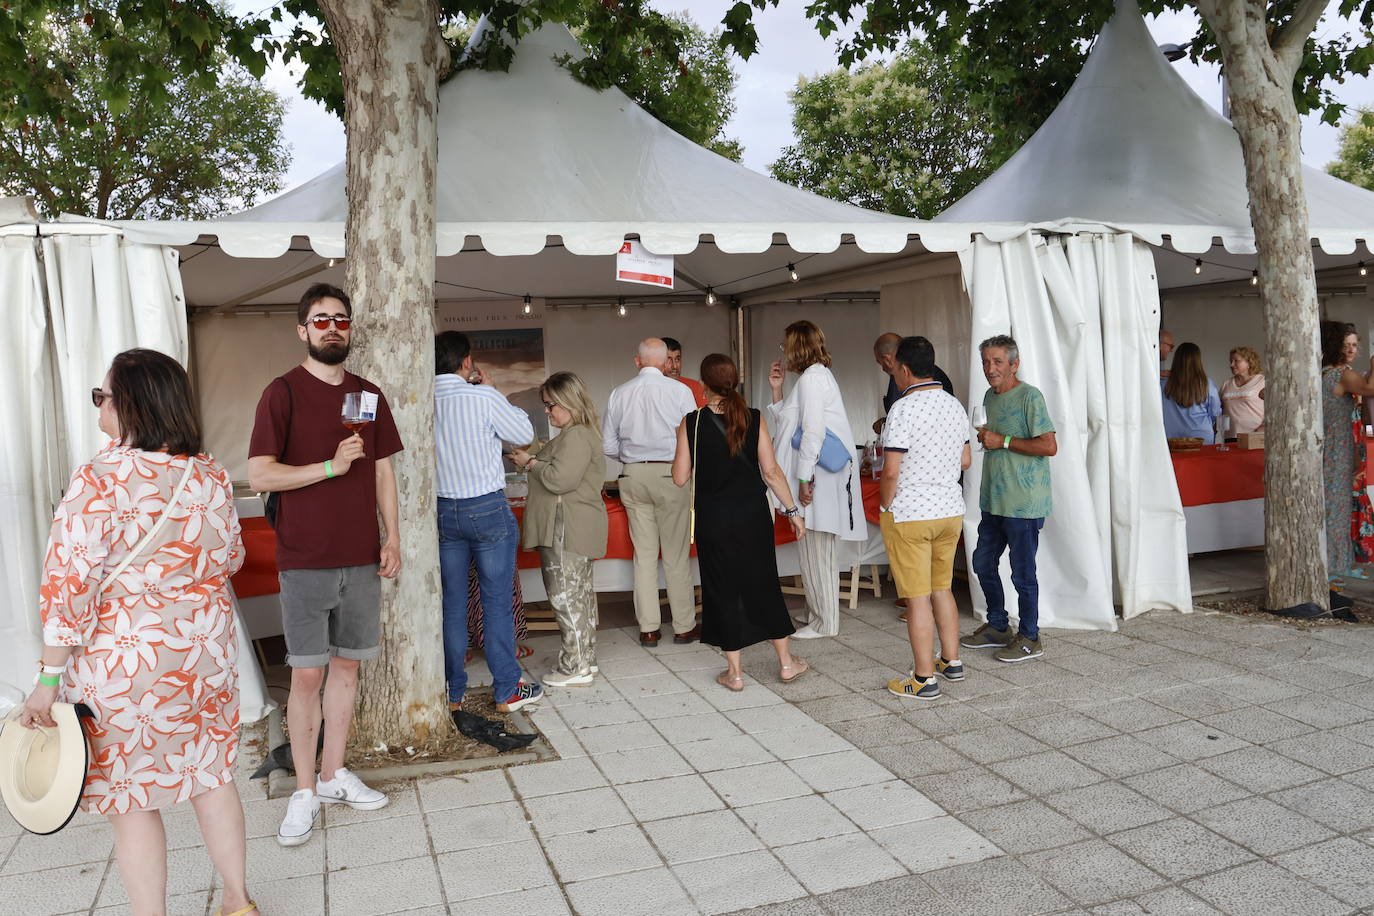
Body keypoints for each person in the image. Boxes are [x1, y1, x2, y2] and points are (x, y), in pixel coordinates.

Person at [18, 348, 257, 916]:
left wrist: (47, 681)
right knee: (211, 775)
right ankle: (238, 902)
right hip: (203, 652)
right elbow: (230, 558)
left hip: (128, 664)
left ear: (131, 406)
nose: (99, 405)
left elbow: (67, 586)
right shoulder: (210, 475)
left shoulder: (98, 480)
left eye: (102, 396)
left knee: (131, 801)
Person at [248, 283, 401, 847]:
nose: (331, 327)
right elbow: (262, 475)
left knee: (348, 670)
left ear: (350, 327)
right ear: (302, 330)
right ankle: (305, 790)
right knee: (307, 674)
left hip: (361, 556)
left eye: (340, 319)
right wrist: (329, 469)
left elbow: (383, 470)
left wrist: (394, 536)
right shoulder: (282, 393)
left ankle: (335, 774)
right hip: (305, 557)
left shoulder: (368, 393)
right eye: (320, 320)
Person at [672, 354, 808, 689]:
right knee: (763, 582)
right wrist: (792, 512)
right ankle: (787, 664)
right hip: (751, 516)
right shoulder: (754, 418)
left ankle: (734, 673)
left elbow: (679, 478)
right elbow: (772, 472)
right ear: (735, 381)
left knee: (721, 588)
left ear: (704, 385)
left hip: (713, 518)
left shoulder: (692, 422)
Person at [433, 331, 543, 713]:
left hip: (443, 510)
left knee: (452, 604)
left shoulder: (421, 398)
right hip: (486, 507)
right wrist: (495, 390)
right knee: (496, 602)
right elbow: (523, 434)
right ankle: (506, 690)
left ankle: (452, 692)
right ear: (466, 362)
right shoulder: (481, 396)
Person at [879, 337, 971, 700]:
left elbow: (890, 472)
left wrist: (887, 506)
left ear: (902, 369)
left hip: (911, 513)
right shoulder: (954, 405)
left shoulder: (903, 409)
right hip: (949, 509)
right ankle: (951, 660)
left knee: (917, 599)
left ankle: (922, 678)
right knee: (942, 589)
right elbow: (965, 461)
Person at [961, 334, 1058, 662]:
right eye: (986, 361)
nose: (990, 368)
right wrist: (990, 440)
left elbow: (1049, 446)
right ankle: (998, 626)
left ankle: (1031, 637)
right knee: (982, 562)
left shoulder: (1030, 397)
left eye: (998, 361)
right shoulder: (989, 396)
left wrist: (1001, 440)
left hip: (1024, 502)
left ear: (1014, 364)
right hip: (994, 500)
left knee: (1021, 571)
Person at [510, 372, 609, 687]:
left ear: (569, 402)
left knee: (566, 598)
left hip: (566, 526)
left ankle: (574, 666)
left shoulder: (576, 435)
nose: (548, 411)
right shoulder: (575, 434)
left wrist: (530, 464)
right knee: (578, 597)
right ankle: (584, 660)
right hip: (572, 524)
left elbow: (559, 480)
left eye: (552, 405)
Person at [767, 320, 864, 638]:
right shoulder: (816, 377)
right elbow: (791, 425)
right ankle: (817, 613)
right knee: (813, 546)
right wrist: (777, 391)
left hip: (818, 476)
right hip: (820, 474)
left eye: (785, 346)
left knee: (817, 547)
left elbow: (812, 433)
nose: (784, 352)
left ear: (796, 347)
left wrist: (805, 480)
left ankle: (825, 622)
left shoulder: (812, 380)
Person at [603, 338, 701, 646]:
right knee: (675, 555)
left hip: (632, 475)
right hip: (672, 472)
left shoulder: (619, 393)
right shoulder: (680, 391)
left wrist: (632, 459)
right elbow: (695, 436)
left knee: (643, 556)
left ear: (637, 361)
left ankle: (648, 628)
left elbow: (607, 445)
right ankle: (684, 626)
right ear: (666, 363)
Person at [1321, 321, 1374, 595]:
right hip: (1341, 449)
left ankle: (1337, 567)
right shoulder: (1342, 374)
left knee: (1336, 507)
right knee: (1338, 510)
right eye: (1347, 345)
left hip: (1335, 446)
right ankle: (1335, 573)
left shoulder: (1324, 373)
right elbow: (1370, 388)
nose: (1352, 350)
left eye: (1356, 344)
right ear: (1335, 347)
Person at [872, 332, 954, 433]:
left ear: (887, 359)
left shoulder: (927, 377)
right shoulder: (955, 405)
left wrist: (887, 423)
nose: (883, 368)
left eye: (880, 362)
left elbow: (920, 418)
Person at [1161, 342, 1223, 444]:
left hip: (1171, 439)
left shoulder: (1162, 381)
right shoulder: (1206, 383)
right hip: (1201, 437)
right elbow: (1215, 412)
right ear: (1198, 360)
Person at [1219, 345, 1265, 436]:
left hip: (1254, 436)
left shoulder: (1262, 381)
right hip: (1230, 437)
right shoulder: (1226, 384)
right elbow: (1219, 410)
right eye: (1231, 361)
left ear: (1249, 362)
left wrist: (1264, 427)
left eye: (1236, 361)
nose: (1231, 365)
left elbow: (1275, 408)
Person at [663, 335, 708, 408]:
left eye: (677, 359)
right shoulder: (649, 387)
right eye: (669, 360)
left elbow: (703, 417)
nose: (674, 366)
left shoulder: (694, 386)